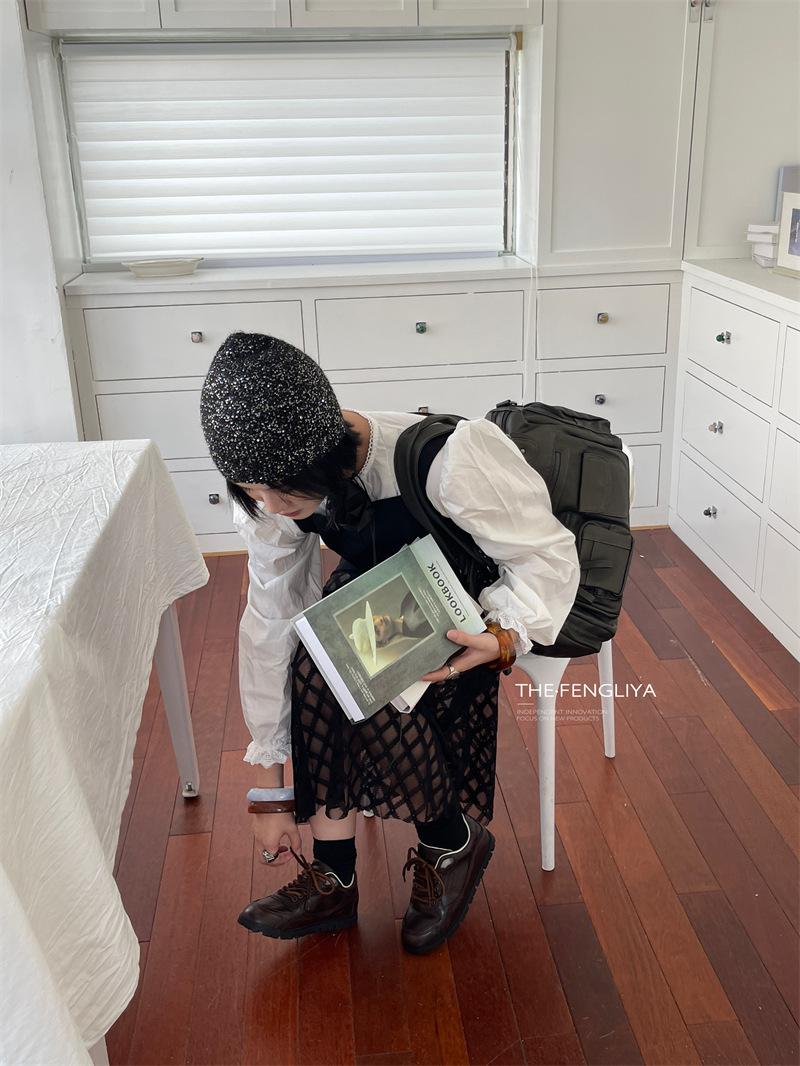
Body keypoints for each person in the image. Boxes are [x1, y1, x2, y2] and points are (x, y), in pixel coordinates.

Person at [199, 332, 580, 955]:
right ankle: (338, 875)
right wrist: (270, 792)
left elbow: (547, 557)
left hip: (471, 611)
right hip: (385, 591)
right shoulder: (274, 494)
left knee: (354, 668)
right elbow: (271, 617)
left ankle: (446, 841)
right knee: (318, 656)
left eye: (281, 489)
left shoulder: (449, 459)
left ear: (323, 452)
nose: (268, 506)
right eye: (250, 489)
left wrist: (506, 634)